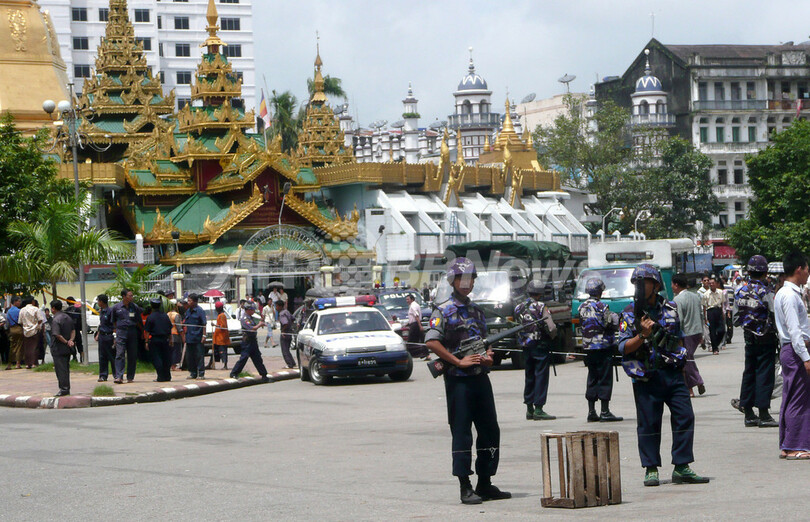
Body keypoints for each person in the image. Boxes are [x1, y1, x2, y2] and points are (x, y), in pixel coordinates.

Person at [425, 257, 510, 505]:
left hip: (480, 379)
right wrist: (458, 361)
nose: (466, 283)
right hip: (458, 381)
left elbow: (485, 345)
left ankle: (485, 482)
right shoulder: (443, 310)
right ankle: (465, 486)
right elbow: (431, 341)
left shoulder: (477, 311)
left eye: (470, 278)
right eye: (461, 278)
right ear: (452, 281)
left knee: (490, 430)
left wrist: (488, 358)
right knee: (462, 433)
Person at [618, 264, 709, 487]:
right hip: (646, 376)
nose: (639, 288)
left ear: (656, 285)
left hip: (672, 373)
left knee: (685, 416)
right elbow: (623, 348)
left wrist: (684, 369)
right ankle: (651, 468)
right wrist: (643, 335)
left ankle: (682, 465)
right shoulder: (630, 313)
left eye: (643, 283)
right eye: (636, 284)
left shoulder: (671, 308)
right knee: (649, 423)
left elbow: (678, 340)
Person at [734, 255, 779, 428]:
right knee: (764, 375)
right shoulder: (766, 292)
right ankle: (764, 414)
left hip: (749, 339)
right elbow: (774, 314)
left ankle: (749, 414)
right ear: (765, 272)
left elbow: (736, 319)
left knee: (749, 373)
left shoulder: (740, 291)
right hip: (765, 338)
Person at [773, 251, 810, 460]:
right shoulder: (788, 296)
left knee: (792, 397)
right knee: (798, 399)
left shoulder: (788, 293)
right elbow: (794, 331)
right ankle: (795, 444)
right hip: (795, 351)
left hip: (792, 350)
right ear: (799, 269)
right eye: (806, 269)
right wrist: (805, 357)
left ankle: (790, 443)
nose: (807, 273)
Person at [579, 278, 623, 422]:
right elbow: (612, 323)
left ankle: (591, 411)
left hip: (588, 348)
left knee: (592, 377)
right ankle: (605, 411)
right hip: (603, 347)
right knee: (605, 378)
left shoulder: (582, 307)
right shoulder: (602, 307)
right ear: (600, 291)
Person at [514, 279, 558, 421]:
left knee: (529, 376)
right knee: (541, 376)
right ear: (540, 293)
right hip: (540, 346)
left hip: (526, 346)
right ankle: (539, 409)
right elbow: (551, 327)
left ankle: (529, 409)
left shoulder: (519, 307)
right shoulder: (541, 306)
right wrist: (552, 337)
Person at [672, 274, 706, 397]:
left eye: (672, 284)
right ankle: (695, 384)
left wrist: (676, 335)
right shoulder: (695, 296)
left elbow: (679, 319)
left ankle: (693, 385)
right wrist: (702, 333)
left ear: (676, 285)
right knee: (689, 358)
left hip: (686, 333)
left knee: (685, 361)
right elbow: (701, 315)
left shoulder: (677, 300)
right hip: (697, 332)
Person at [110, 289, 144, 384]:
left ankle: (130, 377)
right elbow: (113, 321)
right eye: (130, 295)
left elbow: (139, 321)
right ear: (124, 297)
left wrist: (142, 332)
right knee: (120, 354)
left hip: (132, 332)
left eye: (132, 295)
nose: (131, 297)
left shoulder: (135, 307)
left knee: (132, 355)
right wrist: (116, 331)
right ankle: (119, 376)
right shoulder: (116, 308)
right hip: (121, 332)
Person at [229, 303, 269, 380]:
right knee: (244, 358)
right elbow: (251, 328)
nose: (253, 311)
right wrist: (259, 325)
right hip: (247, 342)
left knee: (257, 358)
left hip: (253, 341)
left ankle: (264, 375)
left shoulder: (250, 317)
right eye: (252, 309)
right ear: (248, 310)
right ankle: (234, 373)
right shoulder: (244, 318)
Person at [144, 298, 173, 382]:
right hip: (165, 339)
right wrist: (171, 340)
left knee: (157, 358)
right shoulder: (165, 316)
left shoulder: (150, 317)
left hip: (155, 340)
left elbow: (147, 331)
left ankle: (160, 377)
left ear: (152, 306)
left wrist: (146, 342)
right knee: (166, 358)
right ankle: (167, 376)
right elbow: (169, 329)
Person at [50, 300, 74, 397]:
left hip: (58, 348)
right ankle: (66, 388)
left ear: (53, 308)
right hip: (67, 348)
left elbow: (57, 335)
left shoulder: (56, 320)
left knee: (60, 369)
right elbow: (73, 330)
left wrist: (65, 341)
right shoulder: (67, 317)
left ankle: (64, 389)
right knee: (65, 368)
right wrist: (71, 340)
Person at [182, 293, 207, 380]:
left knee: (199, 356)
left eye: (190, 300)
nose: (188, 302)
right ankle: (193, 373)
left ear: (195, 302)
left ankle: (201, 373)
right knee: (190, 356)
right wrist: (184, 335)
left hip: (198, 337)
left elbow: (204, 324)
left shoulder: (200, 311)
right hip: (189, 337)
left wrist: (204, 335)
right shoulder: (188, 311)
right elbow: (185, 324)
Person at [702, 277, 726, 354]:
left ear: (716, 284)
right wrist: (705, 318)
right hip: (710, 312)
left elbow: (722, 304)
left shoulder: (720, 292)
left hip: (718, 310)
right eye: (710, 283)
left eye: (713, 283)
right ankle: (715, 349)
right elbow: (704, 307)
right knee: (712, 331)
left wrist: (723, 313)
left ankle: (715, 344)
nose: (711, 284)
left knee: (722, 330)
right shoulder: (706, 294)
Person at [95, 294, 115, 382]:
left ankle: (116, 375)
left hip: (109, 336)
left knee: (112, 356)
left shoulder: (110, 311)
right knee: (102, 356)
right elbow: (101, 324)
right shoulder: (101, 311)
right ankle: (103, 375)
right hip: (102, 336)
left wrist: (114, 337)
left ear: (102, 302)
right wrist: (98, 334)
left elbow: (114, 325)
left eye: (98, 301)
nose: (97, 302)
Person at [19, 296, 43, 369]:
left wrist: (26, 326)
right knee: (35, 346)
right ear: (33, 302)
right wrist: (36, 325)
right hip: (34, 330)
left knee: (27, 347)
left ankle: (28, 363)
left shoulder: (22, 310)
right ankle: (34, 363)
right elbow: (40, 319)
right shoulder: (36, 309)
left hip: (26, 330)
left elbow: (20, 321)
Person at [210, 301, 230, 370]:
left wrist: (215, 325)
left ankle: (225, 365)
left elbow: (222, 326)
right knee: (215, 351)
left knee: (223, 352)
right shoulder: (219, 315)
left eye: (216, 308)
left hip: (222, 338)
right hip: (218, 338)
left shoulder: (222, 316)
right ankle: (211, 364)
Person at [276, 300, 296, 368]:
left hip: (285, 333)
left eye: (277, 306)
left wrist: (283, 331)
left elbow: (285, 323)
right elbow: (293, 318)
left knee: (285, 350)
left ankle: (289, 364)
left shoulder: (282, 314)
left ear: (280, 306)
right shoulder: (287, 312)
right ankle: (292, 362)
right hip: (290, 332)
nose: (276, 308)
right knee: (287, 349)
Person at [167, 300, 185, 371]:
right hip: (175, 335)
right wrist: (182, 336)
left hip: (168, 335)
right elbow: (179, 327)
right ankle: (174, 366)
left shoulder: (167, 314)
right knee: (176, 351)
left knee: (171, 351)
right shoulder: (176, 315)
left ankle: (171, 365)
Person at [65, 297, 84, 363]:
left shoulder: (67, 310)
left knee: (71, 343)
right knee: (79, 343)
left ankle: (74, 356)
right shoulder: (78, 310)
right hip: (77, 329)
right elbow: (81, 320)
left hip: (70, 330)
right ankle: (82, 356)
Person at [6, 296, 22, 369]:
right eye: (18, 301)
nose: (20, 302)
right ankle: (17, 364)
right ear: (15, 302)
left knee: (12, 346)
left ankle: (9, 364)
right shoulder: (19, 311)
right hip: (18, 329)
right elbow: (21, 321)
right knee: (19, 346)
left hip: (12, 329)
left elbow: (7, 322)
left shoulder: (8, 311)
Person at [697, 276, 711, 350]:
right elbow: (699, 303)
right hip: (703, 312)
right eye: (705, 280)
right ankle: (709, 344)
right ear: (702, 281)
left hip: (711, 310)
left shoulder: (712, 289)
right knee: (706, 328)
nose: (706, 282)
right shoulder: (700, 292)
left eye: (708, 280)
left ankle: (704, 340)